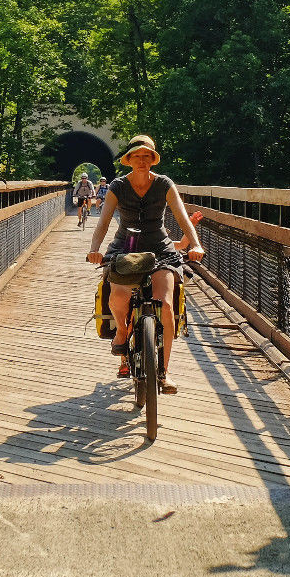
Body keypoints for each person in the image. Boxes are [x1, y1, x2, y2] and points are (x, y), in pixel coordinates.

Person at [86, 134, 203, 393]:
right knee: (118, 295)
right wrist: (94, 249)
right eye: (137, 156)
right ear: (129, 160)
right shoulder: (118, 186)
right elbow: (104, 222)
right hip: (125, 248)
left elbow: (182, 218)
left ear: (152, 159)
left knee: (166, 304)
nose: (142, 160)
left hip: (160, 249)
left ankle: (164, 373)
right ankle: (121, 332)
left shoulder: (164, 184)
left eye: (146, 156)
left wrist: (194, 244)